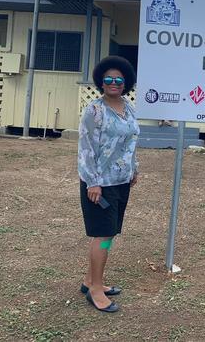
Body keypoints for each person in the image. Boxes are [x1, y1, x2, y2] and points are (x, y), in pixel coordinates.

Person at [77, 56, 139, 313]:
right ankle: (96, 290)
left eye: (119, 80)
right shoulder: (95, 110)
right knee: (102, 236)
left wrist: (134, 168)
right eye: (109, 79)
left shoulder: (128, 107)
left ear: (125, 83)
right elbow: (86, 148)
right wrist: (93, 182)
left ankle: (90, 280)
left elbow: (130, 141)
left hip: (121, 182)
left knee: (109, 233)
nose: (114, 83)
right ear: (101, 82)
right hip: (99, 185)